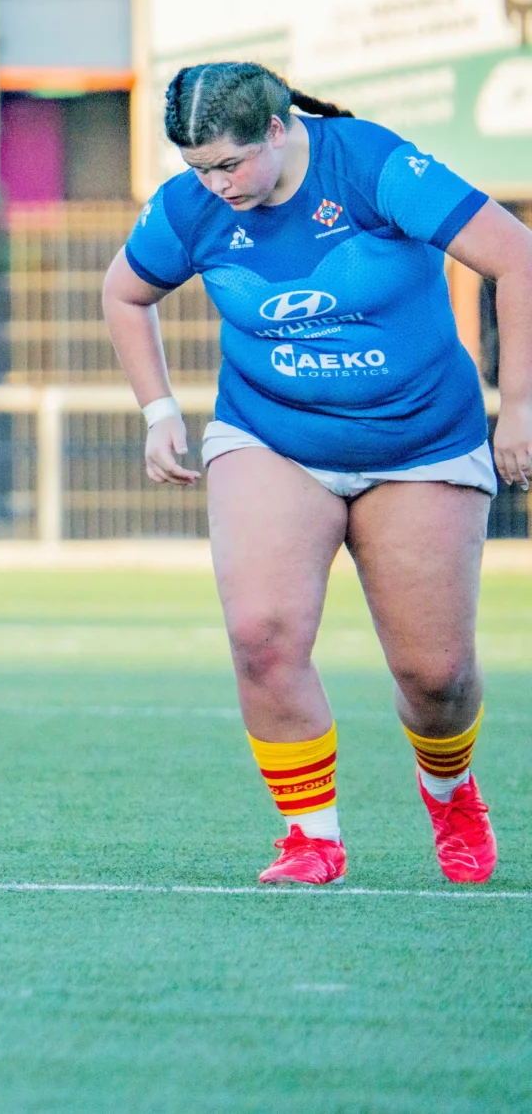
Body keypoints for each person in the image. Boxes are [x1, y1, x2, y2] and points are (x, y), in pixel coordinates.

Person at [102, 62, 532, 886]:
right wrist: (160, 412)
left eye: (228, 164)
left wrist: (517, 406)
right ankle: (310, 836)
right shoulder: (193, 205)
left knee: (434, 675)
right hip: (271, 434)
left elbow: (515, 257)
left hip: (420, 441)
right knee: (261, 635)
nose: (213, 184)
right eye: (197, 168)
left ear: (276, 128)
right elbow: (125, 295)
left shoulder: (371, 166)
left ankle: (451, 791)